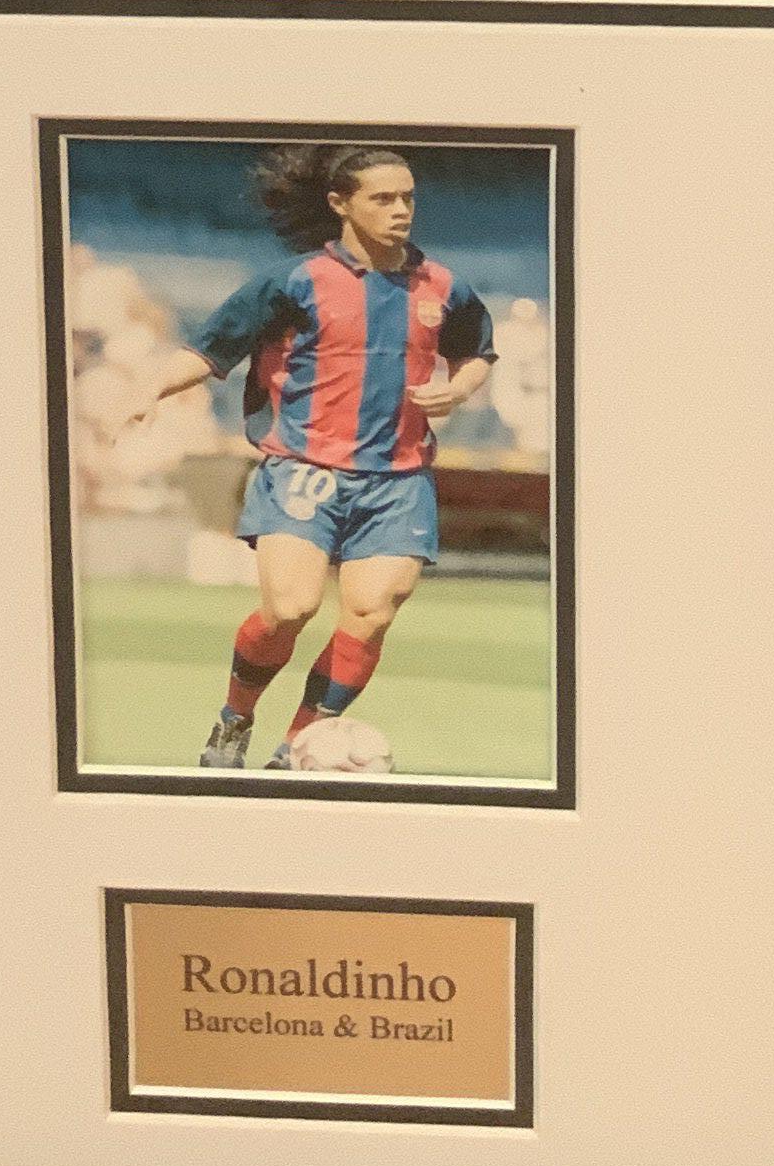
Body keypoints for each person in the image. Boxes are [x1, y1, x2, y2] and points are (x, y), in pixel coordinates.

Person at [97, 146, 492, 774]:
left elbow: (476, 352)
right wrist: (149, 390)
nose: (401, 211)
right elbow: (211, 349)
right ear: (340, 204)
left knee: (369, 615)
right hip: (304, 470)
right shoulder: (293, 284)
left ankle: (296, 748)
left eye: (408, 197)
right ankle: (235, 719)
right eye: (382, 199)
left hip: (399, 478)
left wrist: (461, 387)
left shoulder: (443, 287)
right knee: (289, 609)